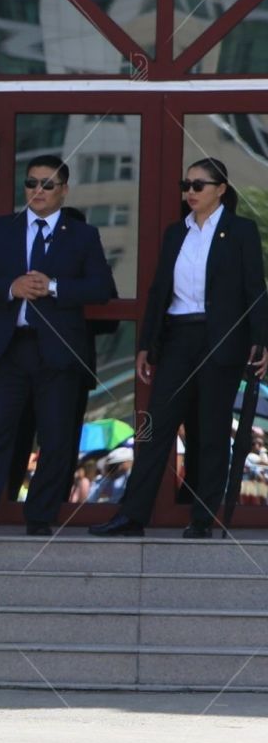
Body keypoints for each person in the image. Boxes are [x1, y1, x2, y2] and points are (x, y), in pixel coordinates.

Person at [92, 158, 268, 538]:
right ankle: (131, 516)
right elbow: (159, 291)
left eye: (198, 185)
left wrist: (261, 340)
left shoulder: (241, 231)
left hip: (221, 340)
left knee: (212, 431)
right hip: (178, 337)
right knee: (156, 428)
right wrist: (146, 344)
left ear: (220, 189)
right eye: (185, 185)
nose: (190, 191)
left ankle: (202, 519)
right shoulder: (176, 233)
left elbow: (255, 289)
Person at [0, 156, 115, 536]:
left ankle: (39, 518)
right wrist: (11, 287)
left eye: (47, 184)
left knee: (55, 439)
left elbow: (101, 287)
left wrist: (53, 287)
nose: (37, 190)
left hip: (58, 353)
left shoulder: (82, 235)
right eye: (31, 183)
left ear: (64, 190)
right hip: (9, 349)